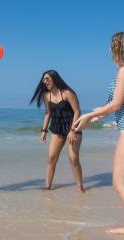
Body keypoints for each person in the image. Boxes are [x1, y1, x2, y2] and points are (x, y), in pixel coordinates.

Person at [74, 32, 124, 235]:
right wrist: (97, 115)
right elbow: (112, 103)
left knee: (118, 182)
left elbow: (116, 104)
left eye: (110, 46)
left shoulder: (123, 71)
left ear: (117, 48)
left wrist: (86, 117)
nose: (108, 51)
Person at [30, 70, 84, 192]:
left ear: (55, 79)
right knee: (51, 157)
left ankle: (80, 187)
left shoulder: (67, 93)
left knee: (73, 158)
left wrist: (72, 130)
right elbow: (48, 113)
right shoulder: (46, 95)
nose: (45, 81)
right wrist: (43, 130)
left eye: (47, 79)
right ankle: (47, 187)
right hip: (57, 127)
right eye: (44, 79)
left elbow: (77, 111)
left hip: (73, 127)